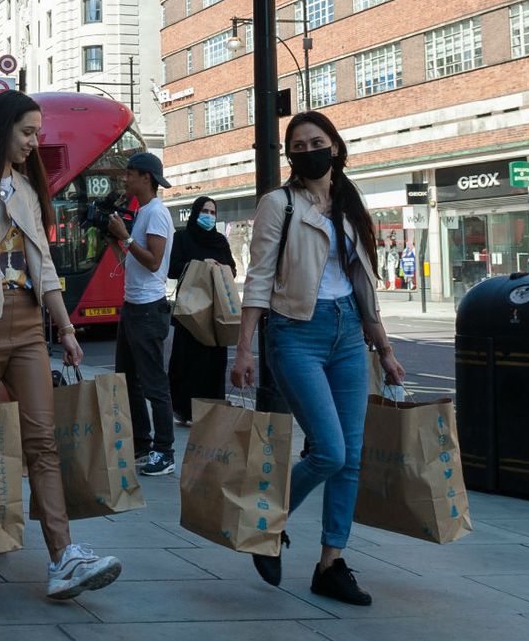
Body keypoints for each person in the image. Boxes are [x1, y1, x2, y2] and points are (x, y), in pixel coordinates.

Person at [0, 90, 123, 595]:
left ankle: (63, 557)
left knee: (43, 440)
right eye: (27, 132)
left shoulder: (28, 190)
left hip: (29, 327)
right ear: (2, 131)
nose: (35, 142)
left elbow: (44, 266)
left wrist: (66, 328)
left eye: (37, 132)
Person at [231, 110, 406, 606]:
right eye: (299, 145)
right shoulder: (278, 204)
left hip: (348, 334)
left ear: (335, 146)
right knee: (328, 450)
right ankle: (266, 518)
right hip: (296, 334)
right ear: (290, 156)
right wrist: (245, 347)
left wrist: (386, 350)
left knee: (349, 458)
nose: (309, 151)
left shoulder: (351, 205)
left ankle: (331, 562)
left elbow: (362, 283)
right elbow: (259, 277)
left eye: (317, 141)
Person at [105, 152, 177, 477]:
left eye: (130, 174)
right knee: (127, 380)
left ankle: (165, 451)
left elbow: (152, 262)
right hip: (132, 306)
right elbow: (132, 259)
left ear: (146, 178)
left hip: (149, 309)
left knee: (153, 384)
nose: (126, 179)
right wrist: (113, 241)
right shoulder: (143, 211)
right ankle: (142, 445)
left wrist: (126, 236)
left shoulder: (157, 213)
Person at [167, 196, 236, 426]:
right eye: (205, 211)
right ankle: (184, 410)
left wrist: (219, 268)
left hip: (215, 313)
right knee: (186, 363)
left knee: (213, 365)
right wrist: (199, 263)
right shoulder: (182, 238)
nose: (209, 216)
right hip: (190, 313)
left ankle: (210, 411)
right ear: (196, 212)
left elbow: (232, 270)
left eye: (213, 212)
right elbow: (173, 269)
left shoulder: (220, 241)